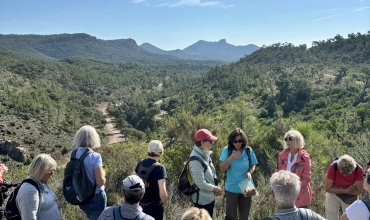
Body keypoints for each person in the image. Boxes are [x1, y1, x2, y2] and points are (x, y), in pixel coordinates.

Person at [219, 128, 258, 220]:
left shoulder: (248, 150)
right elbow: (222, 168)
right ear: (231, 141)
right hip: (232, 188)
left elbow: (253, 165)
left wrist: (250, 172)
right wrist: (230, 158)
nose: (237, 143)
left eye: (240, 140)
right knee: (230, 217)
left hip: (247, 188)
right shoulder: (227, 150)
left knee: (244, 216)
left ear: (243, 141)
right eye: (235, 141)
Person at [71, 125, 107, 220]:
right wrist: (103, 174)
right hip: (95, 198)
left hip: (81, 197)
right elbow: (100, 182)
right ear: (94, 138)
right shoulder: (95, 156)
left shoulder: (72, 154)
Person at [188, 128, 222, 217]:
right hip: (202, 202)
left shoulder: (204, 154)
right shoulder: (195, 160)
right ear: (202, 142)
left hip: (208, 198)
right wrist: (215, 189)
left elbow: (211, 173)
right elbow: (200, 183)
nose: (212, 143)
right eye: (210, 141)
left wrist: (216, 185)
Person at [16, 154, 60, 220]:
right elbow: (29, 218)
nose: (52, 173)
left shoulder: (41, 182)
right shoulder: (29, 191)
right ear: (41, 170)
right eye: (50, 171)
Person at [276, 130, 312, 208]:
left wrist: (293, 187)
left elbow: (306, 178)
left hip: (300, 195)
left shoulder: (305, 157)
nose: (287, 141)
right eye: (286, 139)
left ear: (297, 140)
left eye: (290, 139)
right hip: (284, 195)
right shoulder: (282, 155)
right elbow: (278, 172)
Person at [133, 140, 168, 220]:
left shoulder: (141, 163)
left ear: (148, 150)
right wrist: (164, 203)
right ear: (161, 152)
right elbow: (162, 192)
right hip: (154, 208)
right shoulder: (160, 168)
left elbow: (131, 180)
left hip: (139, 205)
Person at [325, 154, 363, 220]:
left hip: (350, 197)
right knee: (331, 217)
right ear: (339, 167)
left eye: (348, 174)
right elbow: (327, 188)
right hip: (333, 195)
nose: (345, 176)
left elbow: (358, 191)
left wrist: (335, 189)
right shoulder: (333, 167)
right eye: (343, 173)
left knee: (351, 218)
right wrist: (346, 190)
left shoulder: (358, 170)